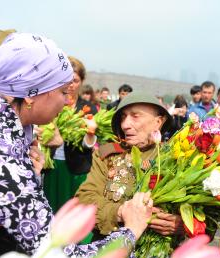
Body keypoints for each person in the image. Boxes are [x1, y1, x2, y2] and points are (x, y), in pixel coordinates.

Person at [0, 33, 152, 258]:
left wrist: (30, 176)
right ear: (30, 94)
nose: (68, 100)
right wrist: (131, 231)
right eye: (62, 91)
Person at [76, 92, 184, 240]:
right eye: (123, 117)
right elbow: (85, 199)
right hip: (111, 250)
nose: (125, 125)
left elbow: (208, 216)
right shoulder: (108, 155)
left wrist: (183, 224)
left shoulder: (177, 158)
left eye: (135, 116)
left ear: (158, 122)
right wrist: (121, 212)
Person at [40, 57, 98, 215]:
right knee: (52, 210)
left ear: (82, 81)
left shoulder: (88, 109)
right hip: (52, 167)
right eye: (67, 80)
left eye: (75, 80)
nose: (71, 85)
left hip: (76, 168)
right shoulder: (50, 102)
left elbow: (88, 145)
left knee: (75, 213)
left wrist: (90, 133)